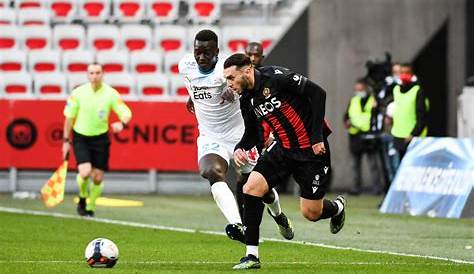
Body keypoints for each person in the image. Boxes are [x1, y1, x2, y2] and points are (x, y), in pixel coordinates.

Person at [223, 53, 346, 269]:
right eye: (227, 79)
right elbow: (253, 133)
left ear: (247, 70)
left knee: (311, 213)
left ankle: (336, 208)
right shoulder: (246, 99)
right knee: (251, 187)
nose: (229, 84)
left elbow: (318, 94)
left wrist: (317, 136)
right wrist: (240, 147)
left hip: (311, 151)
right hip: (282, 149)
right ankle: (251, 255)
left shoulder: (277, 78)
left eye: (231, 78)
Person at [178, 30, 294, 243]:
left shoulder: (227, 71)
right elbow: (193, 85)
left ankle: (279, 216)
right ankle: (237, 224)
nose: (201, 57)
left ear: (217, 52)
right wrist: (191, 97)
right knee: (211, 171)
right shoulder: (185, 66)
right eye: (198, 52)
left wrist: (238, 93)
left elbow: (255, 92)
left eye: (207, 52)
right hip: (211, 136)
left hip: (241, 139)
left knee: (262, 190)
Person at [62, 63, 132, 217]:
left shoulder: (111, 93)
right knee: (85, 171)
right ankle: (82, 197)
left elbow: (126, 112)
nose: (94, 76)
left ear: (103, 74)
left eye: (97, 73)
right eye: (91, 73)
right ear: (87, 75)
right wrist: (66, 141)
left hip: (100, 138)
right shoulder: (78, 93)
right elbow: (68, 118)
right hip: (80, 137)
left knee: (98, 177)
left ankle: (91, 207)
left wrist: (122, 123)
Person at [343, 79, 382, 195]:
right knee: (355, 164)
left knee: (373, 164)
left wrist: (376, 107)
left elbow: (377, 115)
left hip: (369, 135)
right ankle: (356, 188)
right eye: (357, 89)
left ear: (365, 88)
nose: (358, 91)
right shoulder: (353, 100)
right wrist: (346, 122)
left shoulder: (373, 100)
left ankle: (377, 188)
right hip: (355, 135)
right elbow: (346, 116)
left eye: (360, 89)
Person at [390, 63, 428, 159]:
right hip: (398, 136)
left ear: (412, 74)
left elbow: (421, 116)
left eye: (407, 72)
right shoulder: (396, 90)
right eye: (402, 72)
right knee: (397, 168)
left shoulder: (417, 90)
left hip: (412, 138)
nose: (404, 75)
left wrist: (413, 134)